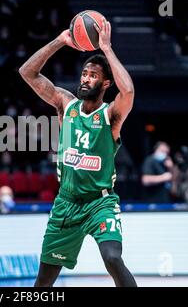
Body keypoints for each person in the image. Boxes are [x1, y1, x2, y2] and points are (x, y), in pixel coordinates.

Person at [19, 18, 137, 287]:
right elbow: (28, 73)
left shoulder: (110, 115)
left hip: (100, 202)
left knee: (112, 258)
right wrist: (60, 41)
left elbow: (128, 91)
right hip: (66, 203)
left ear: (106, 83)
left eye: (93, 76)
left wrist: (106, 48)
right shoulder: (66, 105)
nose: (86, 79)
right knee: (43, 282)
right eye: (85, 73)